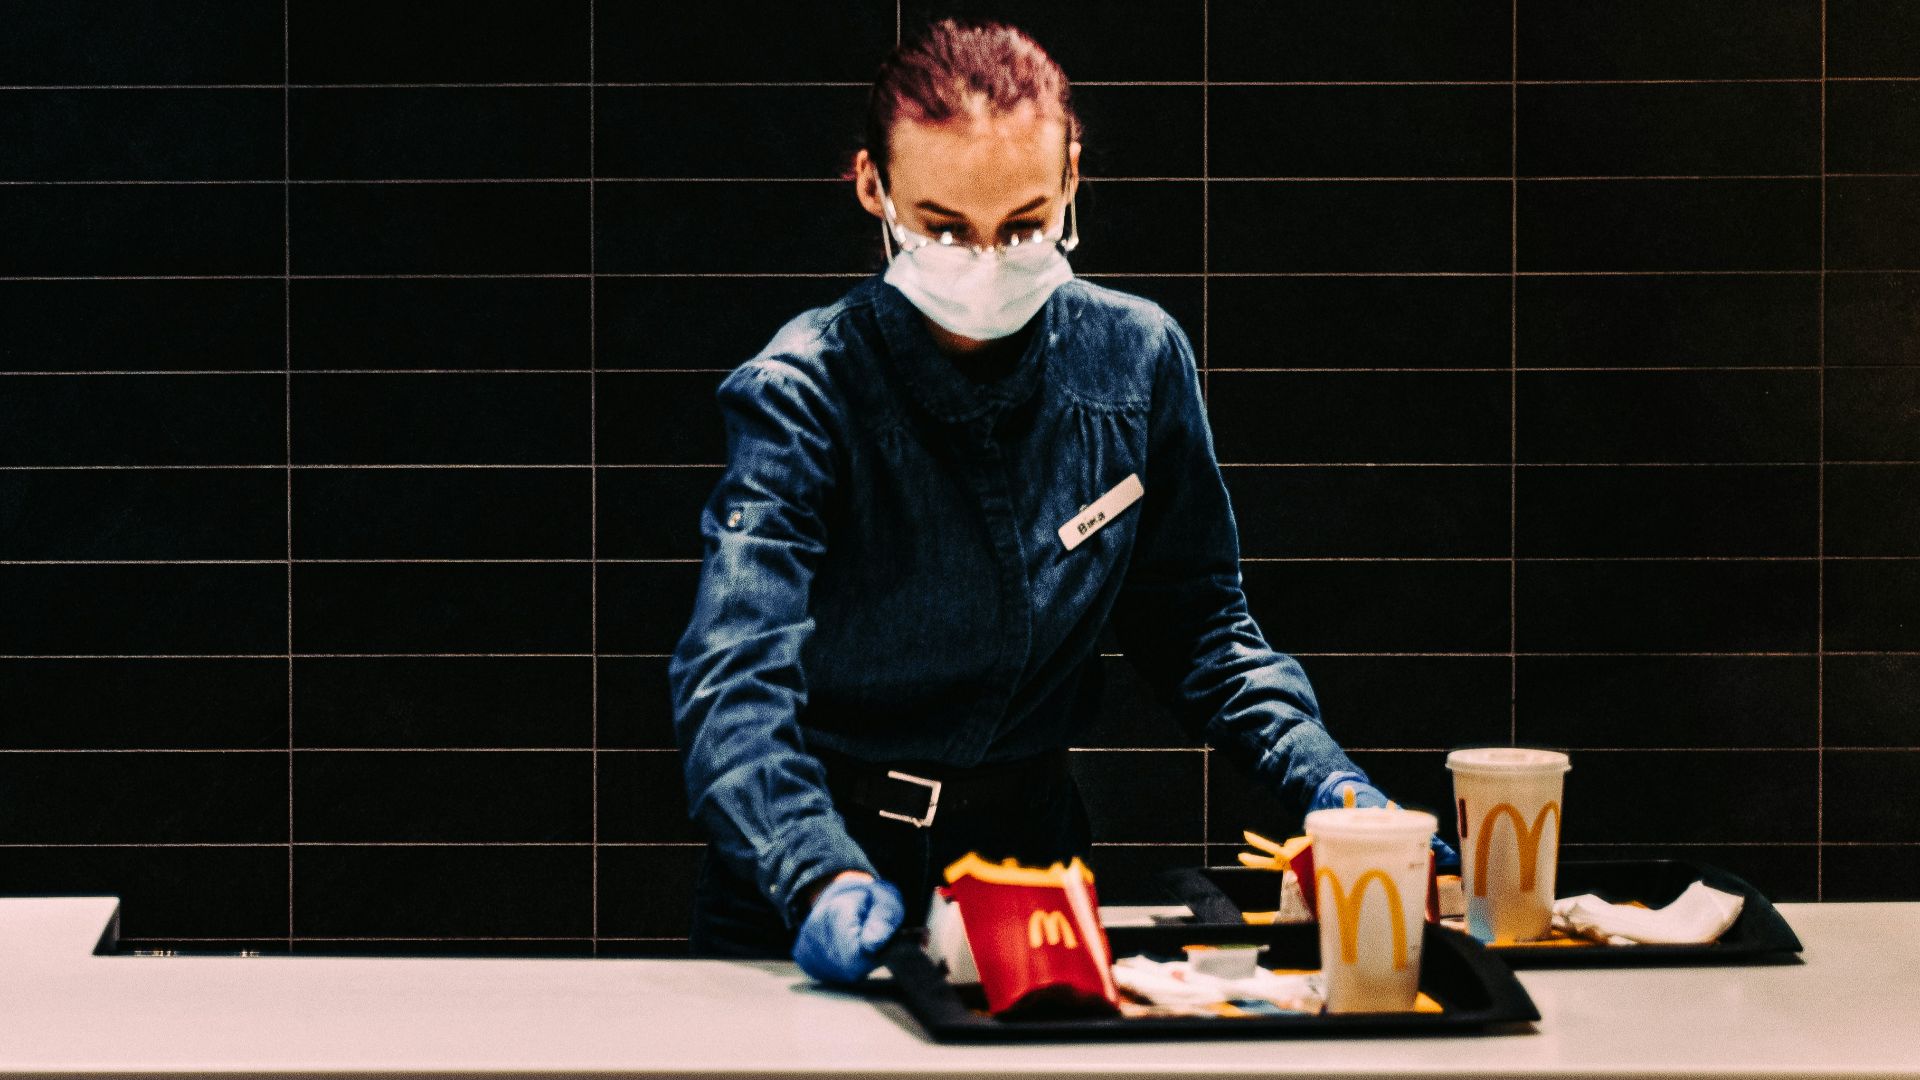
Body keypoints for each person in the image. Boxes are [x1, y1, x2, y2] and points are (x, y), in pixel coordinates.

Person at [667, 18, 1457, 985]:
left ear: (1073, 178)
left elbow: (1201, 627)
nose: (986, 262)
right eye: (945, 227)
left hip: (1027, 873)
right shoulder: (802, 391)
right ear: (873, 187)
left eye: (1026, 224)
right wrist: (813, 873)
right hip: (813, 864)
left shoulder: (1136, 358)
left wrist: (1328, 786)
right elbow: (734, 681)